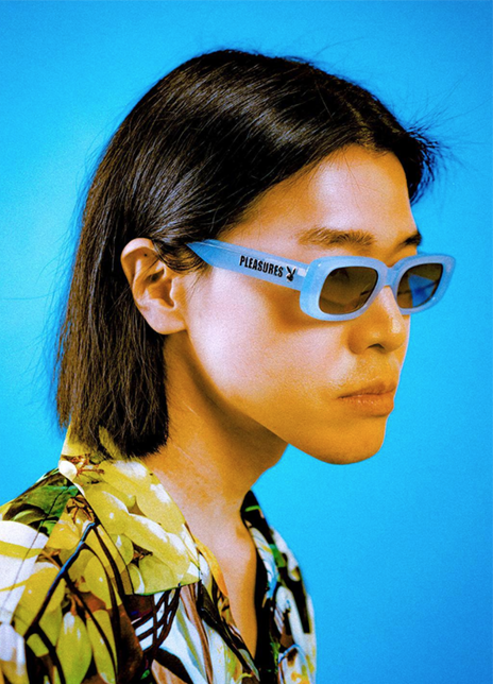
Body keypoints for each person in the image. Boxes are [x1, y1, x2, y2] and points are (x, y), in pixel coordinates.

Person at [0, 49, 454, 683]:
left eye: (407, 275)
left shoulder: (275, 573)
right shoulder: (31, 591)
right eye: (339, 277)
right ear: (160, 285)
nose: (389, 329)